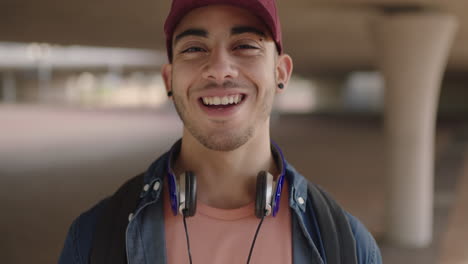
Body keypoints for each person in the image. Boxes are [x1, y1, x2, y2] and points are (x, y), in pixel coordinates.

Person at [59, 0, 382, 263]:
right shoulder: (92, 239)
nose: (219, 68)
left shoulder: (348, 245)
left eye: (245, 45)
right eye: (194, 49)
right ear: (168, 79)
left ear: (280, 73)